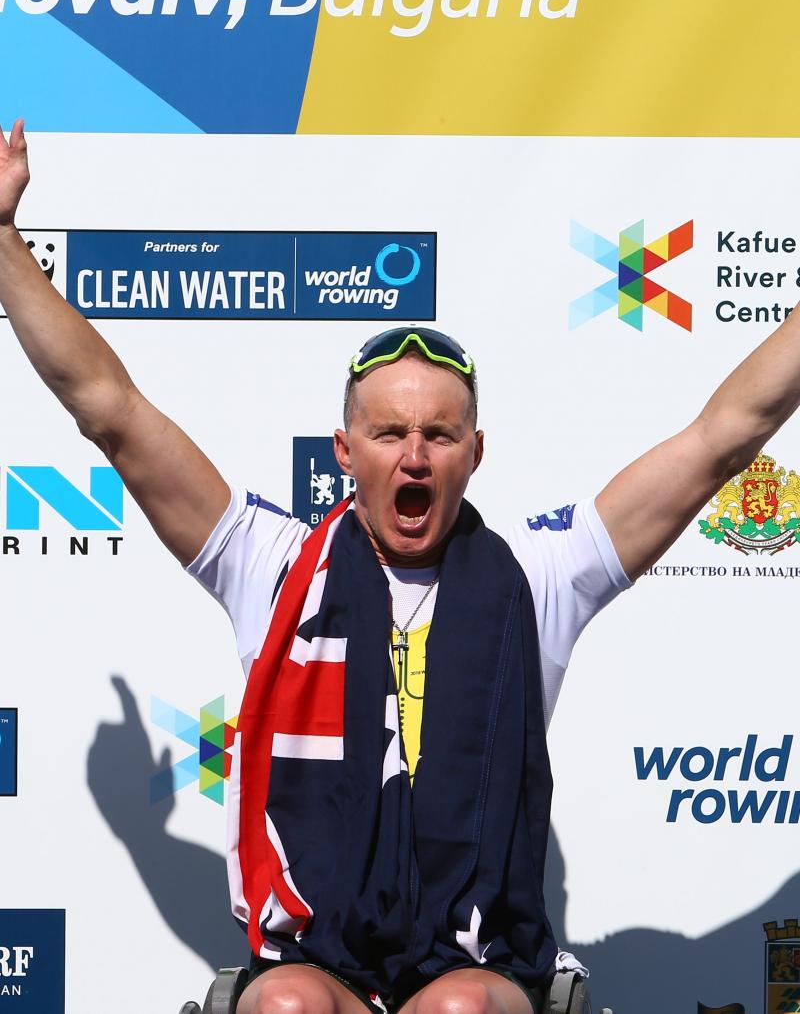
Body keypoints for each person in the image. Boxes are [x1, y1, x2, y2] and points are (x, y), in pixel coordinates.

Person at [1, 118, 799, 1014]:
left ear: (476, 451)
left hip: (475, 963)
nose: (414, 456)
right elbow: (109, 410)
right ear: (346, 451)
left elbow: (719, 442)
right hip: (319, 959)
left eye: (438, 434)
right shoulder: (274, 565)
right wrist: (2, 240)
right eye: (389, 433)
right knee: (287, 1007)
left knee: (456, 1012)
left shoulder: (537, 575)